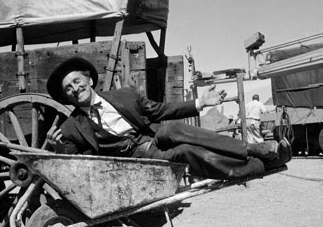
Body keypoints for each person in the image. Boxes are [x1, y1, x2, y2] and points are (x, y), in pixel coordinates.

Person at [46, 57, 291, 180]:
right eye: (68, 88)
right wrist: (58, 150)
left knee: (173, 129)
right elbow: (79, 165)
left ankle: (253, 148)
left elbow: (161, 111)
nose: (75, 89)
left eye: (77, 81)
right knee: (186, 152)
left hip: (154, 139)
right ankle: (261, 164)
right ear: (67, 97)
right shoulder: (70, 128)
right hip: (140, 160)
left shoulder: (125, 96)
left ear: (88, 80)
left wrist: (201, 103)